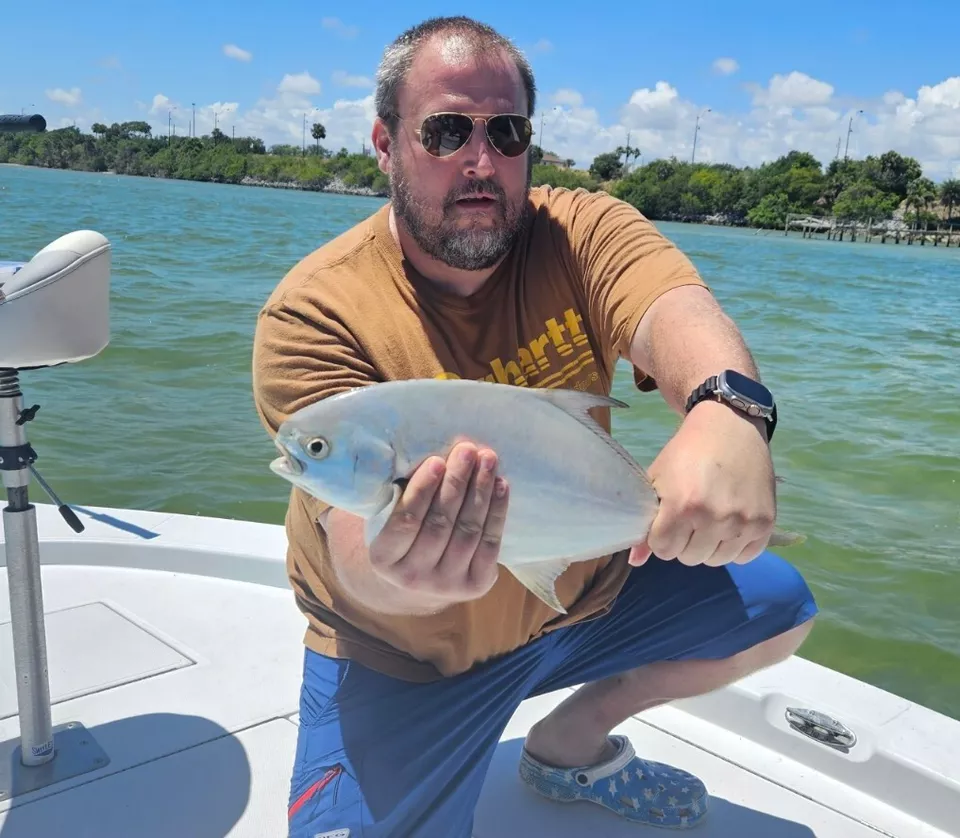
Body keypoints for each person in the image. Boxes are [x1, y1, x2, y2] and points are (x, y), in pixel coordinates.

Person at [252, 14, 818, 838]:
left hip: (585, 597)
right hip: (410, 662)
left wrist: (729, 408)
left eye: (507, 132)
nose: (482, 161)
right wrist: (398, 567)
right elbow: (349, 541)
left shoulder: (579, 232)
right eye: (446, 131)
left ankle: (570, 743)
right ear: (384, 142)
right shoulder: (314, 312)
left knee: (781, 608)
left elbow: (672, 308)